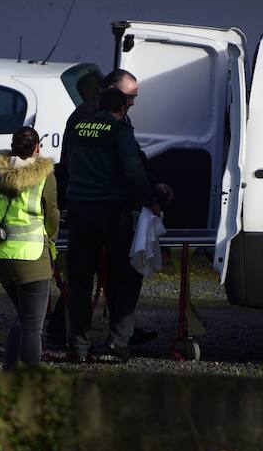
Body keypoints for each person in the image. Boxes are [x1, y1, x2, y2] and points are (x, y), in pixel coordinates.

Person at [46, 69, 172, 347]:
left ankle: (79, 340)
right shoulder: (99, 119)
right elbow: (130, 163)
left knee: (82, 274)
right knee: (119, 272)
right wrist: (149, 197)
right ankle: (115, 336)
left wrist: (154, 181)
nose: (132, 103)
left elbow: (133, 155)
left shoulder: (99, 120)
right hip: (110, 208)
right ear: (113, 93)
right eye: (129, 97)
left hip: (82, 205)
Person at [65, 87, 161, 363]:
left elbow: (68, 164)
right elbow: (133, 169)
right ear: (121, 110)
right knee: (126, 275)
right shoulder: (120, 131)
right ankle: (117, 342)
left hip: (79, 210)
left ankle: (78, 347)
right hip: (111, 211)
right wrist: (150, 201)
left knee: (79, 280)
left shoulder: (78, 129)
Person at [0, 126, 60, 369]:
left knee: (24, 318)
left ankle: (10, 371)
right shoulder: (44, 176)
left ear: (12, 147)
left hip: (1, 256)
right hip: (32, 258)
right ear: (37, 148)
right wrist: (52, 240)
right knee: (33, 327)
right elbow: (52, 214)